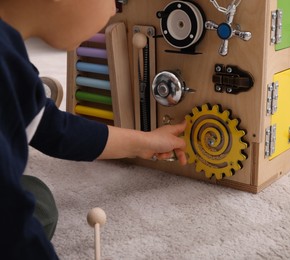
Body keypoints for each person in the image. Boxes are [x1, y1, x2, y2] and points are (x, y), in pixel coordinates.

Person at [0, 0, 187, 258]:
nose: (114, 11)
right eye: (116, 1)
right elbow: (9, 223)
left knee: (39, 200)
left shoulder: (9, 56)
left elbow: (53, 129)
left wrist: (146, 142)